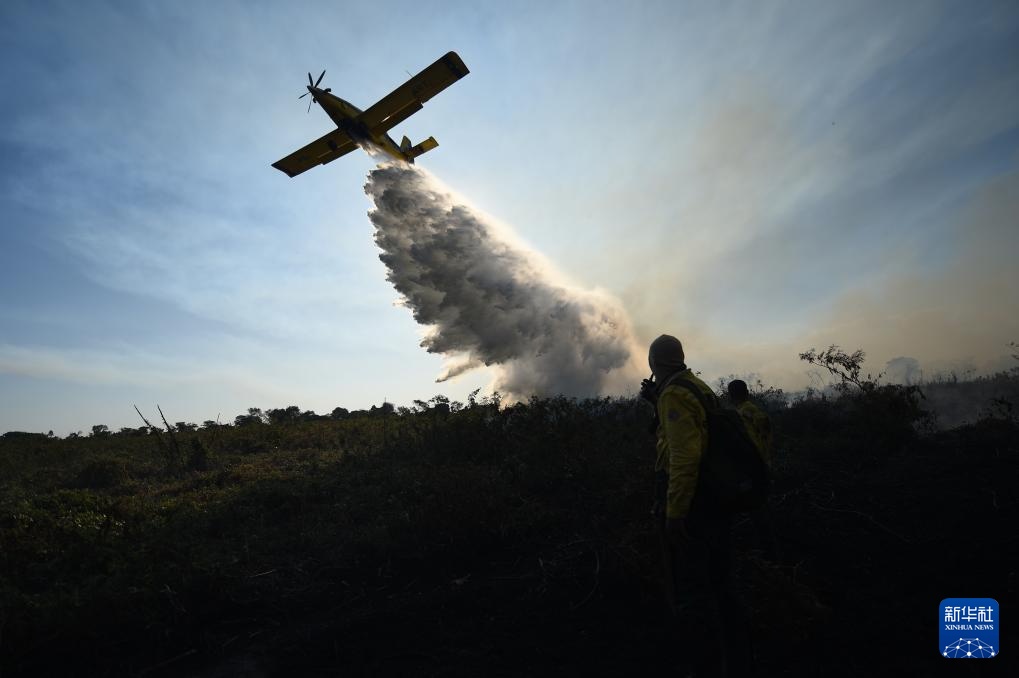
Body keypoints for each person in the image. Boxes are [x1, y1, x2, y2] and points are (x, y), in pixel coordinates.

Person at [641, 335, 752, 677]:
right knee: (721, 583)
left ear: (653, 363)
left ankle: (705, 666)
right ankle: (737, 660)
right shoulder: (696, 387)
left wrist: (675, 514)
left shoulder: (674, 394)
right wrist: (655, 403)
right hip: (715, 499)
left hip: (694, 505)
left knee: (692, 589)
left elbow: (684, 457)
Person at [728, 379, 780, 563]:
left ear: (731, 395)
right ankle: (767, 550)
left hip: (754, 469)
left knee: (757, 509)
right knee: (759, 507)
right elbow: (765, 432)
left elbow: (759, 431)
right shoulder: (748, 411)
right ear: (747, 392)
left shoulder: (743, 412)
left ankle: (768, 554)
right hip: (759, 465)